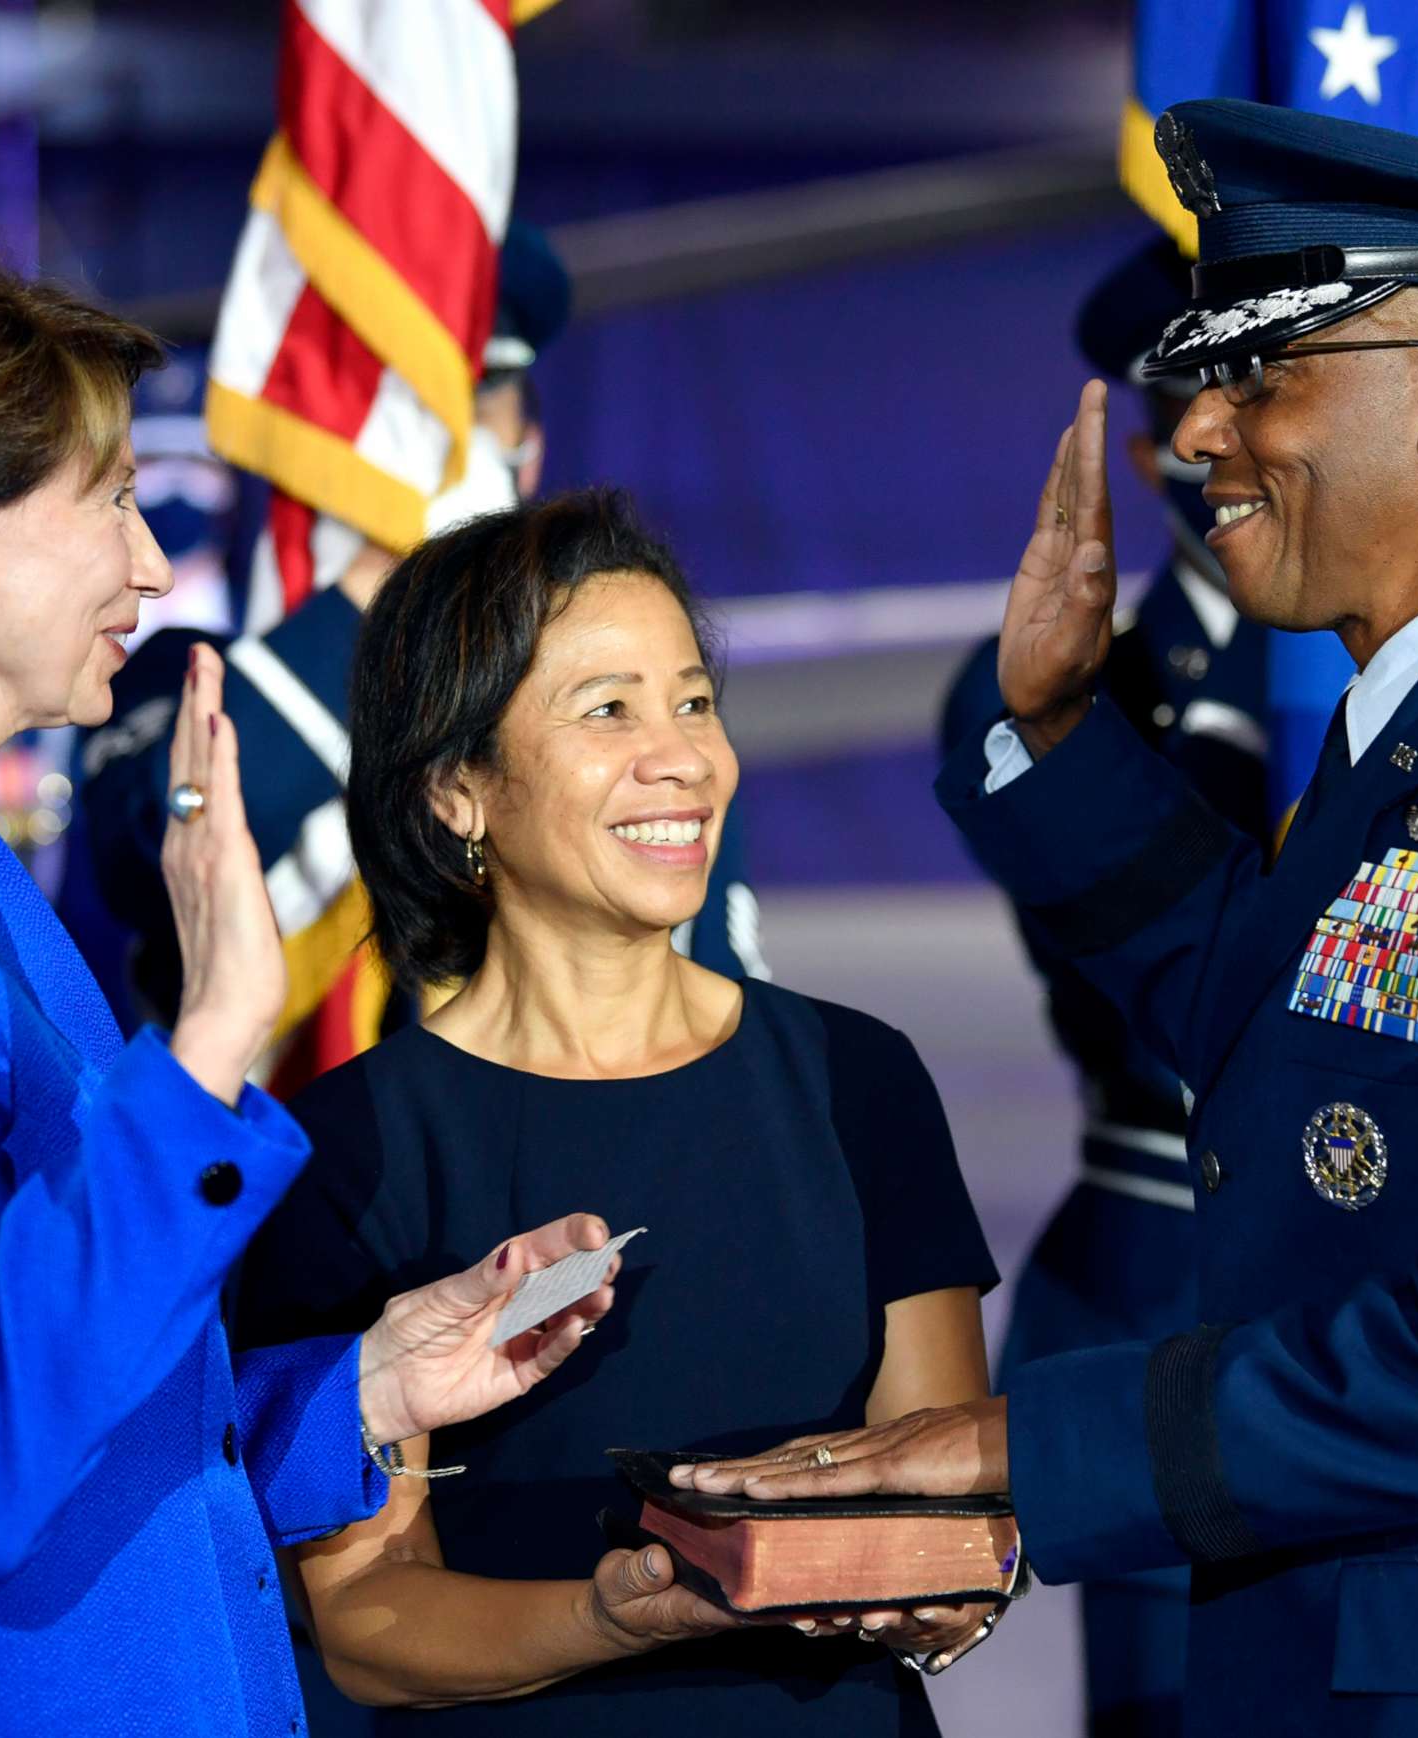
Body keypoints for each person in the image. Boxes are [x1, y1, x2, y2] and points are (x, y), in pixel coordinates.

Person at [675, 99, 1418, 1735]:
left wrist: (1030, 1440)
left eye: (1260, 376)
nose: (1194, 434)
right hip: (1374, 1638)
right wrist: (1056, 734)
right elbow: (1279, 1029)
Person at [0, 206, 619, 1735]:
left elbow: (49, 1390)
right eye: (110, 498)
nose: (154, 561)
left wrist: (368, 1387)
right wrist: (211, 1043)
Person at [229, 490, 1001, 1736]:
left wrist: (952, 1588)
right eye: (609, 710)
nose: (683, 756)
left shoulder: (860, 1079)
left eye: (695, 700)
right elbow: (369, 1622)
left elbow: (951, 1503)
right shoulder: (348, 1150)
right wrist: (607, 1615)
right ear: (456, 790)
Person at [79, 220, 764, 1060]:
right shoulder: (182, 673)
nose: (428, 449)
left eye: (468, 407)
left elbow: (714, 1008)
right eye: (386, 417)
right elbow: (148, 848)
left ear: (528, 448)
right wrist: (382, 586)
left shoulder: (614, 721)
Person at [935, 234, 1263, 1738]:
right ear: (1144, 444)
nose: (1235, 430)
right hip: (1164, 1253)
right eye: (1202, 399)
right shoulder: (1064, 693)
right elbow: (1116, 978)